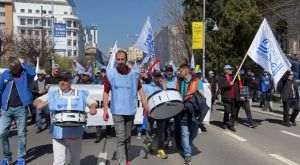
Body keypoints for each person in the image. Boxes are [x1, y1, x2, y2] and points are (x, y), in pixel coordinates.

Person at [33, 72, 97, 165]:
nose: (62, 83)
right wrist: (38, 103)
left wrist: (92, 108)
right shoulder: (53, 94)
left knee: (75, 160)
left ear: (70, 82)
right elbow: (37, 101)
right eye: (60, 80)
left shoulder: (80, 94)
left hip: (75, 132)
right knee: (59, 161)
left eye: (65, 80)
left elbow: (92, 102)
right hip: (58, 133)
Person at [102, 50, 148, 165]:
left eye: (122, 59)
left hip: (130, 110)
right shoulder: (110, 74)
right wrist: (105, 110)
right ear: (116, 60)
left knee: (127, 137)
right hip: (117, 111)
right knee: (121, 137)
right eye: (118, 59)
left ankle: (125, 157)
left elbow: (140, 90)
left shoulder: (134, 74)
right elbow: (106, 92)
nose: (120, 61)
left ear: (126, 60)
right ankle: (122, 162)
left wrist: (145, 104)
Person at [0, 57, 35, 165]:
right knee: (2, 133)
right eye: (12, 68)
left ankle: (21, 157)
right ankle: (7, 156)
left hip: (21, 108)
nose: (13, 70)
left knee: (21, 134)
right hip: (6, 108)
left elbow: (33, 73)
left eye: (15, 68)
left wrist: (23, 62)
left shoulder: (25, 74)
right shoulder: (6, 74)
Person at [176, 64, 203, 165]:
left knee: (193, 133)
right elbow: (177, 94)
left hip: (194, 112)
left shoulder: (197, 81)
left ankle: (187, 145)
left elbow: (202, 95)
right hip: (183, 111)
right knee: (184, 133)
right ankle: (187, 154)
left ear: (186, 70)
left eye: (181, 71)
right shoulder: (179, 81)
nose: (179, 72)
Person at [143, 71, 168, 159]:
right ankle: (147, 148)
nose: (158, 78)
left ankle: (161, 149)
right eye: (156, 76)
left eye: (159, 76)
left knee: (161, 132)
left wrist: (164, 85)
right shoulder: (147, 86)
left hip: (161, 112)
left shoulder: (162, 86)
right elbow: (144, 98)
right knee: (149, 130)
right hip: (151, 112)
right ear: (153, 77)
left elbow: (166, 96)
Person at [218, 64, 239, 132]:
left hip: (234, 97)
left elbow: (240, 78)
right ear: (226, 70)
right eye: (230, 69)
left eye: (231, 69)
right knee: (227, 111)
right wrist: (228, 84)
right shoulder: (221, 77)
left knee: (234, 113)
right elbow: (221, 86)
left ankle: (231, 124)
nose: (231, 70)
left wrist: (238, 69)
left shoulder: (234, 77)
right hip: (226, 97)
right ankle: (225, 123)